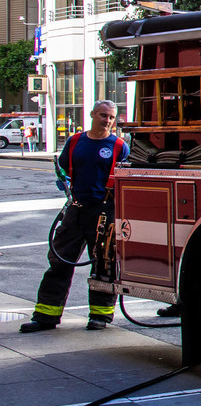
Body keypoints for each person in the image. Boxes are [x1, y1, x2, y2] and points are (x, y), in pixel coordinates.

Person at [18, 101, 129, 333]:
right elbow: (63, 169)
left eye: (111, 117)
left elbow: (125, 179)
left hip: (104, 213)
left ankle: (100, 317)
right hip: (75, 210)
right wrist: (63, 181)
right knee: (59, 262)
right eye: (102, 115)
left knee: (103, 266)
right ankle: (45, 316)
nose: (107, 121)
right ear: (92, 114)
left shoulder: (119, 146)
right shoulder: (75, 141)